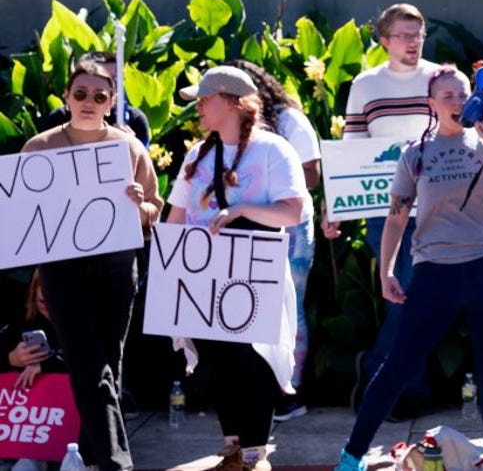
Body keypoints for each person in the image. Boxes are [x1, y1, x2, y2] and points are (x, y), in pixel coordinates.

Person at [335, 65, 483, 471]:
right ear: (431, 104)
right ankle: (351, 457)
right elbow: (397, 218)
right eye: (448, 97)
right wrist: (387, 271)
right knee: (398, 367)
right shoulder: (415, 153)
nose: (457, 102)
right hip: (435, 273)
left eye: (462, 94)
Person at [21, 59, 163, 471]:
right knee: (88, 363)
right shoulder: (39, 147)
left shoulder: (129, 146)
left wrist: (140, 206)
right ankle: (117, 464)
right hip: (63, 270)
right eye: (80, 93)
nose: (88, 102)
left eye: (99, 96)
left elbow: (155, 208)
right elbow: (23, 218)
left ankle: (87, 455)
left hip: (116, 268)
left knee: (108, 368)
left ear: (111, 102)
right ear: (67, 97)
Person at [166, 66, 307, 471]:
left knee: (252, 357)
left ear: (230, 102)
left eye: (204, 100)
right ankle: (232, 446)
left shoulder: (273, 149)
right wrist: (167, 264)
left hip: (255, 271)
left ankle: (255, 451)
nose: (199, 109)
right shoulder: (198, 154)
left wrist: (242, 210)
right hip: (205, 272)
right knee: (216, 356)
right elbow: (177, 215)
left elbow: (292, 211)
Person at [325, 3, 441, 412]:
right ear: (384, 40)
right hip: (385, 210)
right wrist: (335, 207)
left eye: (418, 34)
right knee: (403, 293)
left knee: (423, 296)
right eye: (404, 35)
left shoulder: (440, 79)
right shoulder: (365, 85)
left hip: (436, 208)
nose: (413, 43)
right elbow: (353, 149)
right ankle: (406, 387)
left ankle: (386, 376)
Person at [229, 59, 321, 422]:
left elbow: (312, 174)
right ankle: (256, 388)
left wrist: (269, 174)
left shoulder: (288, 120)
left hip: (291, 226)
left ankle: (289, 391)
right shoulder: (229, 128)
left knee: (290, 305)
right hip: (246, 224)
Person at [41, 52, 151, 148]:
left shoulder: (135, 120)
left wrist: (133, 147)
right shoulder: (59, 118)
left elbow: (145, 168)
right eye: (105, 79)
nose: (113, 86)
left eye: (117, 79)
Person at [2, 271, 66, 389]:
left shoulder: (88, 325)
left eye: (57, 302)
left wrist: (46, 366)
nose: (51, 309)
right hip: (25, 400)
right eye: (43, 302)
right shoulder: (24, 320)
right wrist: (11, 358)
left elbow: (96, 363)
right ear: (34, 294)